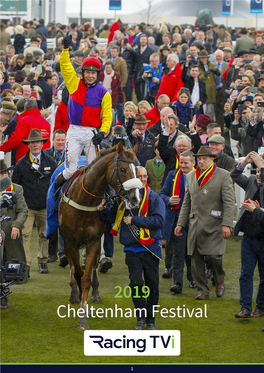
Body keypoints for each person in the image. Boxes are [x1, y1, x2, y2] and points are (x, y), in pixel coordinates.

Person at [99, 166, 165, 330]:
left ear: (147, 178)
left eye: (144, 176)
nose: (142, 179)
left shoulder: (154, 198)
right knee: (136, 285)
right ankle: (140, 318)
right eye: (139, 176)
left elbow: (159, 221)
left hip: (150, 248)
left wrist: (135, 220)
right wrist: (102, 210)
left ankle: (151, 321)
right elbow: (112, 218)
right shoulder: (124, 199)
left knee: (152, 286)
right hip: (132, 250)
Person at [175, 145, 235, 300]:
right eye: (199, 159)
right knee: (195, 259)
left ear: (212, 159)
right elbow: (187, 202)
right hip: (195, 224)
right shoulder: (191, 176)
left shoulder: (223, 175)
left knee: (215, 257)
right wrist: (181, 223)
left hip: (215, 224)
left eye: (205, 159)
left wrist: (227, 224)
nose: (201, 162)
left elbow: (229, 202)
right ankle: (202, 290)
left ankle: (219, 278)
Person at [54, 35, 112, 190]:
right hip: (73, 132)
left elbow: (107, 117)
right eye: (87, 72)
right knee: (70, 170)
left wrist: (103, 132)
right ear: (84, 72)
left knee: (95, 171)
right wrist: (65, 50)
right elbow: (65, 66)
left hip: (92, 134)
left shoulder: (104, 94)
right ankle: (54, 195)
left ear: (98, 74)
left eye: (93, 73)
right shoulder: (74, 84)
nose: (90, 75)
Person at [12, 129, 57, 274]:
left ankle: (43, 261)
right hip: (27, 207)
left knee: (44, 234)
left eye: (37, 142)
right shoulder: (21, 163)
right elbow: (15, 185)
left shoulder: (51, 161)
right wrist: (19, 206)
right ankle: (26, 264)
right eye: (32, 142)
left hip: (45, 206)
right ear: (28, 145)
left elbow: (56, 183)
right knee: (24, 235)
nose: (35, 145)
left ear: (42, 144)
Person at [230, 151, 264, 318]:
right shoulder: (251, 181)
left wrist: (261, 165)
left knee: (263, 276)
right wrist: (244, 163)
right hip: (249, 237)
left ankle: (260, 307)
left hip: (263, 238)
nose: (258, 175)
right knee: (246, 273)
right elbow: (234, 175)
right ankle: (245, 308)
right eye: (257, 171)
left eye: (261, 171)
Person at [160, 151, 196, 293]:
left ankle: (192, 279)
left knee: (192, 252)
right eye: (181, 162)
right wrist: (168, 200)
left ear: (193, 163)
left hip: (194, 220)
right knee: (178, 252)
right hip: (176, 218)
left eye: (186, 163)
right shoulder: (172, 175)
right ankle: (178, 283)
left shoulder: (200, 176)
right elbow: (162, 194)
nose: (183, 165)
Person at [0, 160, 28, 309]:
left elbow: (23, 210)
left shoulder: (16, 189)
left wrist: (16, 225)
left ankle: (4, 295)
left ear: (7, 174)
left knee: (9, 264)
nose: (2, 176)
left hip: (11, 235)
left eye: (3, 173)